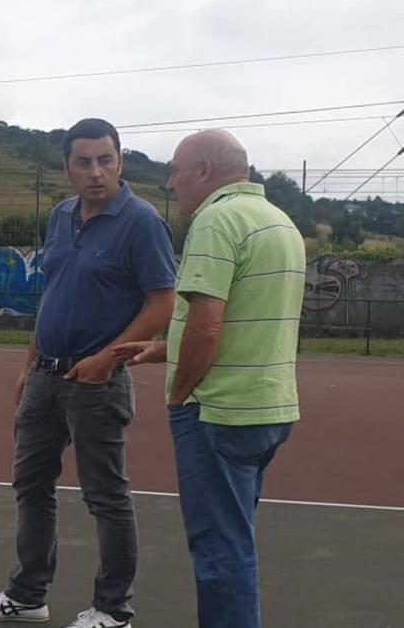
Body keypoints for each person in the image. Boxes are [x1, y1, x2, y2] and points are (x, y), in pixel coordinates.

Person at [0, 118, 177, 627]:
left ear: (120, 161)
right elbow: (54, 295)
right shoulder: (61, 216)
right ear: (67, 169)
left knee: (106, 497)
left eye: (105, 160)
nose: (95, 172)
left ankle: (112, 611)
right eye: (83, 162)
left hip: (98, 383)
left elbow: (164, 301)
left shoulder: (142, 222)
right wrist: (28, 363)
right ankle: (28, 595)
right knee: (31, 484)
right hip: (45, 374)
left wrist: (108, 358)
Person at [112, 129, 305, 628]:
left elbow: (207, 323)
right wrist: (162, 349)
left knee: (220, 550)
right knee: (235, 540)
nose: (171, 183)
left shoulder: (216, 220)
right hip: (269, 408)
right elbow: (243, 319)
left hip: (220, 411)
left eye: (175, 171)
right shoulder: (279, 222)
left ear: (203, 171)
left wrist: (180, 396)